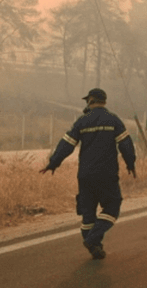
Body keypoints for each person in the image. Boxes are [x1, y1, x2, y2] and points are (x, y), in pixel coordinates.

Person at [39, 88, 136, 260]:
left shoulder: (82, 121)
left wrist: (53, 163)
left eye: (87, 101)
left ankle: (94, 246)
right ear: (104, 101)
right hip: (107, 175)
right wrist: (130, 163)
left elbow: (66, 144)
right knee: (113, 205)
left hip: (85, 176)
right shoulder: (113, 120)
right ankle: (93, 239)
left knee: (87, 214)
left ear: (91, 100)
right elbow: (126, 144)